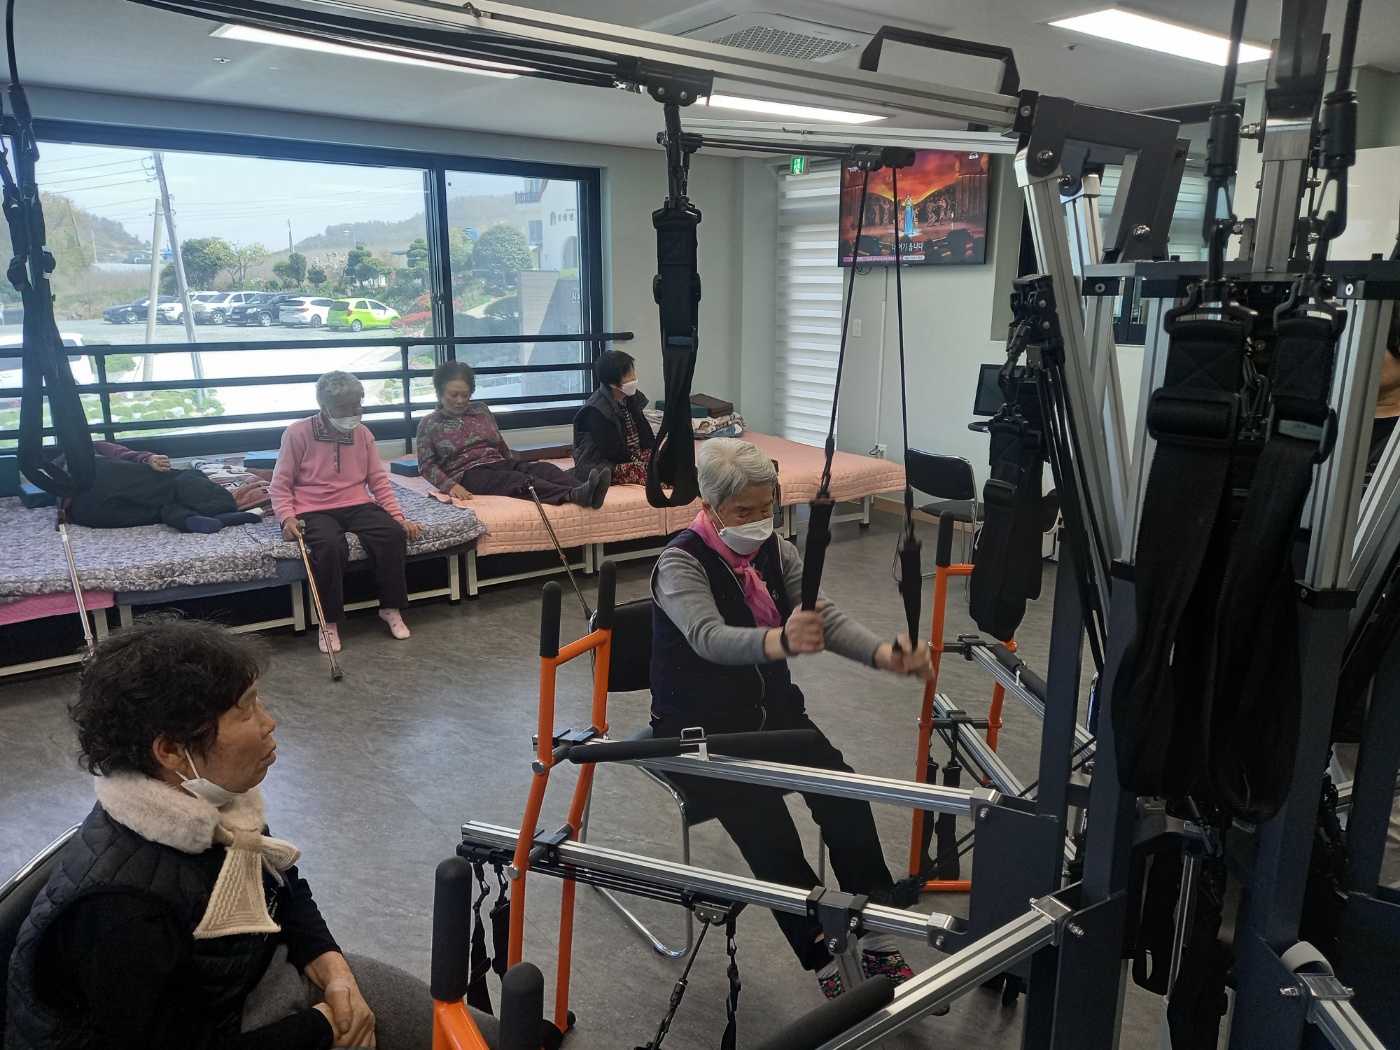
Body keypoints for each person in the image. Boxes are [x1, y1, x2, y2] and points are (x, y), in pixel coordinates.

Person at [4, 618, 499, 1050]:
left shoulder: (208, 806)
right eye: (246, 710)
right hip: (230, 1023)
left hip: (251, 982)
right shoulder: (121, 911)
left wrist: (333, 968)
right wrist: (321, 1027)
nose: (268, 722)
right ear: (171, 751)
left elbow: (280, 888)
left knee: (490, 1036)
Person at [649, 437, 934, 1001]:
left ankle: (875, 932)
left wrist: (883, 654)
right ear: (709, 507)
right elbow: (708, 637)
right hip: (701, 732)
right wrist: (780, 639)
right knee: (770, 833)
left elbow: (818, 616)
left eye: (766, 507)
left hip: (774, 715)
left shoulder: (776, 552)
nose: (758, 521)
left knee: (845, 794)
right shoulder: (679, 563)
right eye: (743, 511)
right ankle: (823, 952)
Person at [270, 372, 421, 654]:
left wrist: (398, 517)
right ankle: (328, 621)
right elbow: (280, 484)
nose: (352, 413)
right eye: (343, 407)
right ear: (324, 407)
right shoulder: (297, 433)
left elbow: (378, 480)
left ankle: (390, 607)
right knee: (329, 545)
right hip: (312, 508)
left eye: (356, 405)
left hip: (356, 503)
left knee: (391, 534)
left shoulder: (363, 434)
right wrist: (287, 517)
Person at [416, 361, 608, 508]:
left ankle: (588, 490)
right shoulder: (429, 423)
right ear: (440, 393)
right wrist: (450, 486)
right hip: (467, 474)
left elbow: (499, 443)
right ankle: (573, 495)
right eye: (453, 395)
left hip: (497, 462)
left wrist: (514, 465)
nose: (460, 400)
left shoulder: (481, 410)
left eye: (465, 395)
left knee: (543, 469)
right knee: (517, 481)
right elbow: (426, 465)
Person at [66, 441, 262, 534]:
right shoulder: (92, 448)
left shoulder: (59, 464)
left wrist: (149, 459)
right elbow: (126, 455)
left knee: (160, 507)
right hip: (97, 479)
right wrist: (148, 459)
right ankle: (221, 511)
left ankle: (188, 520)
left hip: (87, 515)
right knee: (183, 477)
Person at [571, 349, 655, 485]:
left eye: (633, 372)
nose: (634, 378)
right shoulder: (596, 410)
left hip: (632, 455)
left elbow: (646, 435)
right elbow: (613, 452)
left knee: (671, 459)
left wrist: (654, 455)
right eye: (629, 374)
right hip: (603, 465)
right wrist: (641, 462)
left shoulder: (632, 399)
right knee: (650, 473)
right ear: (613, 384)